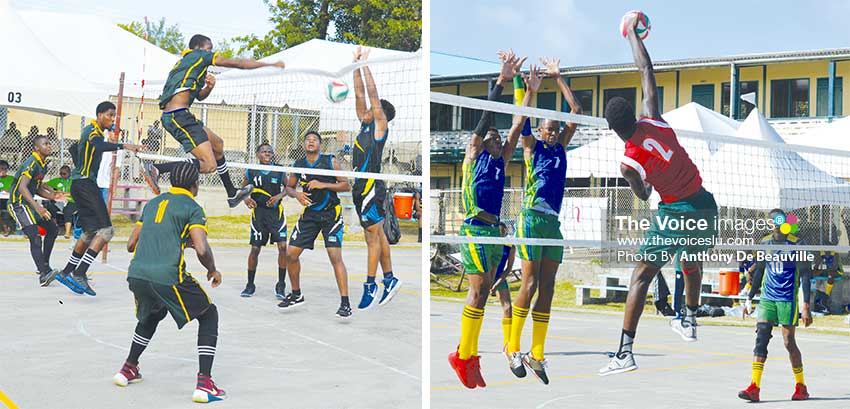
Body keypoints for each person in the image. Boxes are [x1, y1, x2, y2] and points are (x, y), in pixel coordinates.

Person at [599, 15, 718, 376]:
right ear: (633, 115)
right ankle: (690, 320)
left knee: (640, 276)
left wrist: (646, 186)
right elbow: (646, 71)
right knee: (690, 261)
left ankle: (624, 354)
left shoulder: (628, 162)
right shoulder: (655, 119)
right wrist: (633, 36)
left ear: (613, 130)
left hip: (674, 211)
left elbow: (641, 193)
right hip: (705, 205)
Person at [447, 50, 530, 389]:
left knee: (486, 294)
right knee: (478, 290)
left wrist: (525, 86)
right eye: (492, 137)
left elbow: (519, 123)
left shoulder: (501, 160)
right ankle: (463, 356)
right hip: (474, 228)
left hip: (494, 231)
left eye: (499, 138)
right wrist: (502, 80)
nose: (496, 139)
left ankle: (466, 354)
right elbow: (484, 122)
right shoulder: (473, 157)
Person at [114, 162, 226, 403]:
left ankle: (128, 368)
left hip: (137, 273)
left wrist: (176, 241)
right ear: (195, 184)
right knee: (209, 314)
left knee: (153, 314)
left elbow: (131, 245)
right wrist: (212, 269)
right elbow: (202, 247)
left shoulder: (153, 203)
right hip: (167, 275)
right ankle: (205, 383)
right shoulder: (193, 207)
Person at [140, 34, 285, 208]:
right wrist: (269, 64)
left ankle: (232, 193)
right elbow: (238, 63)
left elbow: (198, 96)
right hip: (177, 116)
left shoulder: (189, 65)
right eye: (210, 49)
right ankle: (156, 169)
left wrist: (208, 87)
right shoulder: (198, 56)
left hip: (182, 114)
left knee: (217, 144)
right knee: (209, 166)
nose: (212, 53)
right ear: (200, 48)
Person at [506, 57, 582, 385]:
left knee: (548, 288)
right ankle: (513, 347)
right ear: (540, 131)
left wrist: (558, 77)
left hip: (553, 222)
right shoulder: (531, 148)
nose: (551, 134)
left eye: (554, 130)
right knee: (531, 283)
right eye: (547, 130)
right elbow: (521, 119)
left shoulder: (561, 148)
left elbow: (576, 111)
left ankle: (537, 354)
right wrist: (530, 91)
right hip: (530, 219)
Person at [54, 101, 143, 296]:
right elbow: (97, 144)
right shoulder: (92, 130)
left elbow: (77, 149)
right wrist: (124, 145)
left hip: (81, 184)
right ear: (100, 114)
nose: (112, 119)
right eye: (110, 115)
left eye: (114, 116)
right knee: (107, 230)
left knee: (91, 230)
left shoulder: (93, 131)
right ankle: (80, 273)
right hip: (86, 184)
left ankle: (67, 272)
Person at [739, 209, 812, 402]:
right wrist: (749, 298)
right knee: (761, 338)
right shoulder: (765, 243)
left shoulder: (797, 244)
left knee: (789, 343)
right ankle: (754, 387)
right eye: (770, 221)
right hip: (768, 298)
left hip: (787, 299)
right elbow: (760, 270)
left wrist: (806, 305)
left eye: (776, 220)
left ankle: (801, 386)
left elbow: (805, 274)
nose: (773, 224)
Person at [350, 45, 402, 310]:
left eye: (374, 108)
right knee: (377, 236)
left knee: (372, 238)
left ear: (381, 113)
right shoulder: (364, 124)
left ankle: (370, 285)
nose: (367, 110)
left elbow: (372, 95)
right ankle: (390, 278)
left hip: (371, 187)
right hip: (360, 188)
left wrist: (365, 65)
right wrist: (354, 66)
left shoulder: (380, 126)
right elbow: (360, 93)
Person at [279, 131, 353, 318]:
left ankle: (345, 303)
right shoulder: (299, 164)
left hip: (331, 214)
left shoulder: (330, 161)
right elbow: (288, 187)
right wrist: (298, 195)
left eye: (314, 140)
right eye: (308, 140)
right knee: (290, 254)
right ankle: (296, 294)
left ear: (320, 144)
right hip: (310, 215)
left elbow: (346, 185)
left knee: (335, 257)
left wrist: (323, 184)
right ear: (304, 145)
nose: (311, 142)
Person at [7, 135, 63, 285]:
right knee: (35, 236)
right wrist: (38, 207)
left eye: (50, 143)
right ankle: (44, 274)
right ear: (37, 148)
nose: (49, 146)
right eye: (46, 144)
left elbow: (36, 187)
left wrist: (53, 196)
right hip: (18, 204)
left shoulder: (42, 164)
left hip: (29, 203)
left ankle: (44, 265)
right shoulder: (31, 163)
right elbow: (22, 187)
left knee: (52, 229)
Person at [240, 143, 288, 300]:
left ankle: (281, 284)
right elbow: (242, 189)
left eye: (269, 152)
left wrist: (278, 197)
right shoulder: (251, 170)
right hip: (259, 214)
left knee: (282, 247)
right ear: (258, 154)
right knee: (255, 249)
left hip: (276, 214)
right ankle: (250, 284)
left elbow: (289, 188)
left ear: (272, 154)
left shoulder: (279, 170)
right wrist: (246, 199)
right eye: (263, 151)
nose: (267, 154)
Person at [490, 222, 516, 351]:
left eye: (502, 231)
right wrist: (488, 283)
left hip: (499, 277)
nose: (500, 234)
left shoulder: (510, 247)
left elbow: (508, 269)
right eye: (498, 231)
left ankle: (508, 344)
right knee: (477, 306)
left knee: (508, 307)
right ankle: (467, 341)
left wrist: (496, 284)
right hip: (487, 276)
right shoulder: (489, 245)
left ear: (505, 233)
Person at [43, 165, 75, 238]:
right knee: (51, 207)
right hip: (59, 201)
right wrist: (54, 191)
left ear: (69, 173)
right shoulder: (57, 180)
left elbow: (76, 192)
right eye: (61, 174)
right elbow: (44, 185)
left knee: (68, 210)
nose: (62, 175)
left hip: (70, 200)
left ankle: (67, 232)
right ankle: (54, 228)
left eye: (64, 174)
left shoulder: (73, 181)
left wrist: (65, 194)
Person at [97, 129, 125, 204]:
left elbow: (116, 169)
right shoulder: (102, 143)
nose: (116, 134)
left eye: (118, 132)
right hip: (95, 181)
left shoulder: (119, 149)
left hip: (107, 184)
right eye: (114, 132)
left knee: (104, 209)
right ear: (109, 133)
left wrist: (114, 188)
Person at [0, 160, 15, 236]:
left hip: (9, 200)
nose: (2, 170)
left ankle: (8, 227)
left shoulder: (11, 179)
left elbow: (17, 189)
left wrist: (9, 190)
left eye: (4, 169)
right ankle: (4, 227)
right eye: (1, 168)